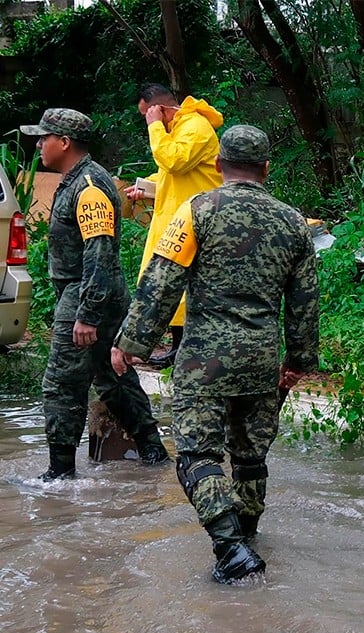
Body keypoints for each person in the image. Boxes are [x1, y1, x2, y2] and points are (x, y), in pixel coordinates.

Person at [111, 125, 320, 584]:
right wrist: (299, 362)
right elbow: (305, 303)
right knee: (250, 458)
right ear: (266, 169)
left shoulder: (196, 210)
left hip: (203, 360)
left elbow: (162, 283)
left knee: (196, 455)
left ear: (220, 165)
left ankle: (231, 551)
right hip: (262, 361)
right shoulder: (293, 223)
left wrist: (129, 344)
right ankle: (245, 537)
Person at [18, 108, 170, 481]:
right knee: (113, 376)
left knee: (62, 382)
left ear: (65, 142)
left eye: (44, 137)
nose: (39, 144)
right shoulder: (79, 180)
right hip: (94, 291)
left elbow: (99, 252)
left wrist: (86, 313)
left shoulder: (88, 187)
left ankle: (59, 474)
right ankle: (154, 454)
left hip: (87, 292)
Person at [123, 83, 224, 368]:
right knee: (171, 287)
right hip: (176, 219)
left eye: (149, 114)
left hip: (196, 221)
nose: (148, 121)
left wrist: (154, 127)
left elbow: (174, 160)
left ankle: (183, 349)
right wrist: (147, 187)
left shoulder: (196, 126)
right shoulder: (180, 128)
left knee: (185, 287)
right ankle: (177, 347)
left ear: (161, 109)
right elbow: (170, 173)